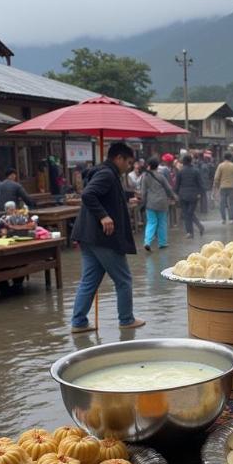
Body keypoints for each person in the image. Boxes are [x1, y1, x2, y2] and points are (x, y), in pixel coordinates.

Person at [70, 141, 144, 333]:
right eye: (128, 162)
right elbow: (89, 194)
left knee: (89, 280)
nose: (129, 167)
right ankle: (126, 319)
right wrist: (104, 216)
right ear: (118, 158)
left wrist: (128, 195)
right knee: (124, 279)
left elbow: (107, 195)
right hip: (103, 237)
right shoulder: (106, 173)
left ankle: (78, 322)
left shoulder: (108, 173)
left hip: (88, 236)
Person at [140, 157, 176, 252]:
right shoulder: (161, 176)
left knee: (151, 222)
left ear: (149, 165)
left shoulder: (145, 176)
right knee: (162, 222)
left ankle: (147, 242)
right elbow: (168, 188)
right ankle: (162, 243)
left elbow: (143, 192)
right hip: (162, 203)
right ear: (157, 166)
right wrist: (173, 197)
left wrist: (143, 202)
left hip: (150, 203)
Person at [177, 154, 205, 238]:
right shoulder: (196, 171)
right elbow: (200, 184)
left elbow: (176, 185)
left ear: (183, 162)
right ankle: (199, 227)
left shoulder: (180, 172)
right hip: (194, 196)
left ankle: (190, 232)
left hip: (183, 196)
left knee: (187, 214)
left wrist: (175, 195)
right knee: (190, 213)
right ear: (191, 161)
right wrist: (201, 194)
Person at [213, 153, 233, 223]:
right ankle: (231, 219)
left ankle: (223, 219)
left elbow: (216, 177)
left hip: (223, 187)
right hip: (232, 187)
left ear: (224, 158)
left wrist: (216, 186)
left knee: (222, 203)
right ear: (230, 158)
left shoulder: (220, 166)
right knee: (232, 203)